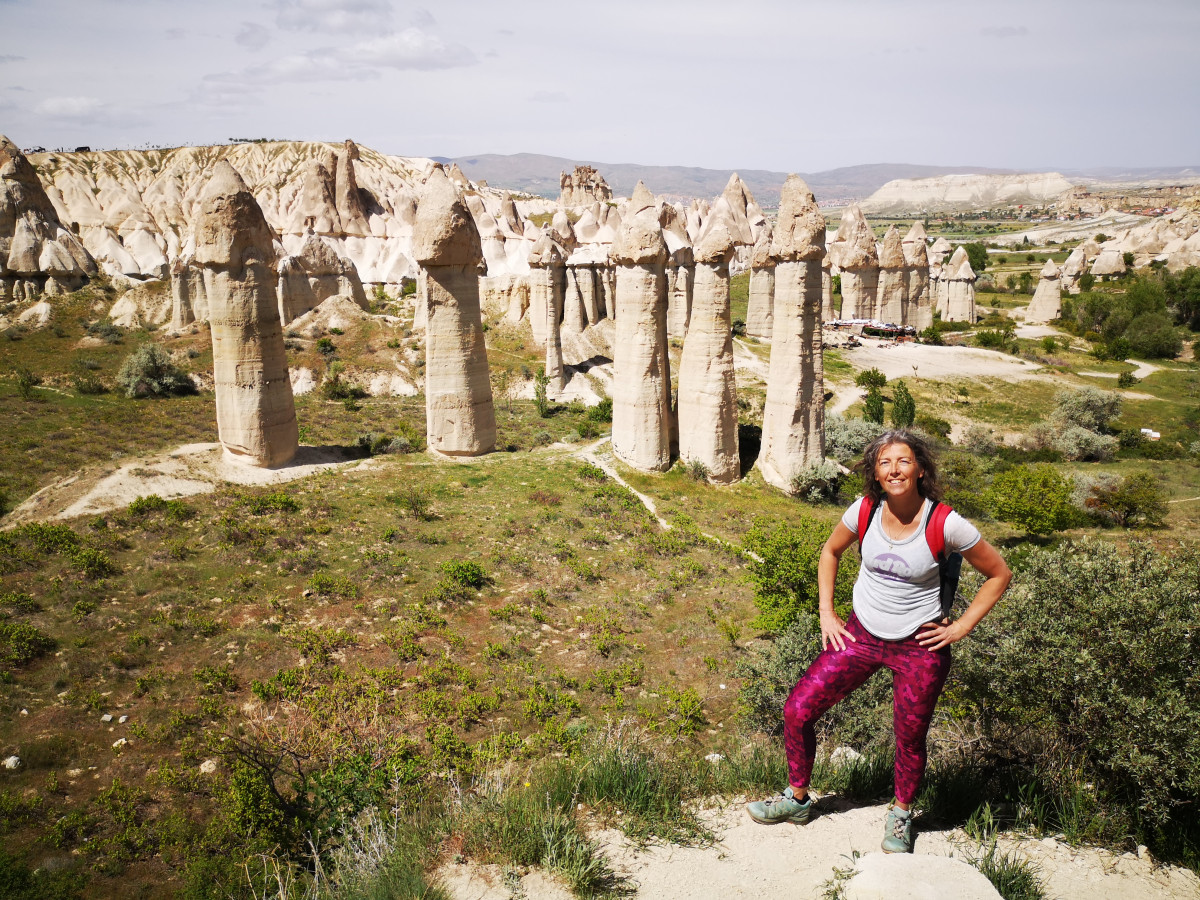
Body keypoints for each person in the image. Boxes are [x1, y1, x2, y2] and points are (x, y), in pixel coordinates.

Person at [746, 430, 1011, 853]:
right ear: (875, 472)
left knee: (908, 737)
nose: (894, 470)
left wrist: (960, 628)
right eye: (885, 463)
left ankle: (901, 815)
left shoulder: (945, 522)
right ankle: (797, 799)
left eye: (903, 461)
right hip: (860, 633)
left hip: (919, 648)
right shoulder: (865, 509)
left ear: (920, 469)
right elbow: (830, 552)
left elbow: (999, 573)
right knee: (797, 709)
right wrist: (826, 613)